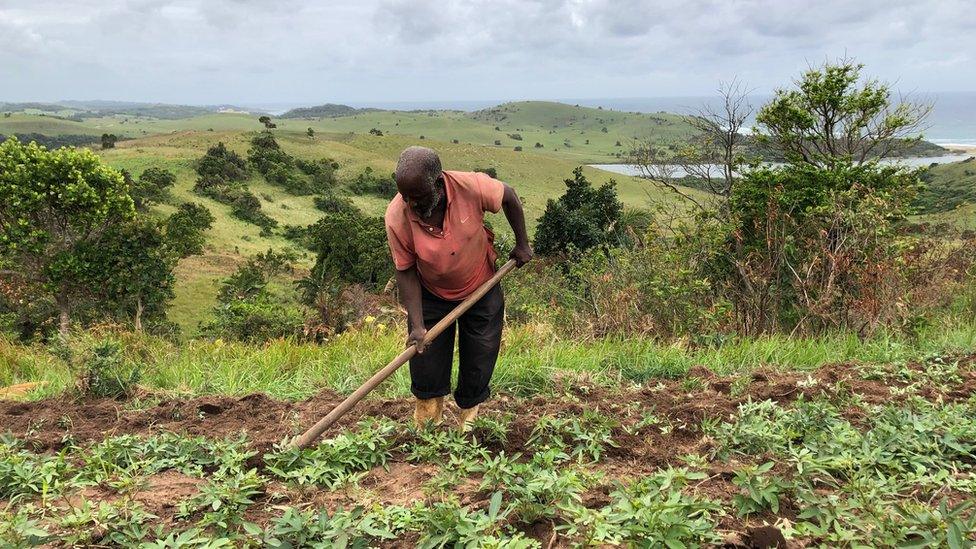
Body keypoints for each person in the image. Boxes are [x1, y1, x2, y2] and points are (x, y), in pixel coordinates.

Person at [384, 146, 532, 431]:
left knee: (479, 356)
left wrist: (522, 243)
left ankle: (467, 425)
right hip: (430, 291)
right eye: (406, 197)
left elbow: (509, 195)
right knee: (425, 362)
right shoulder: (397, 216)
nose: (411, 203)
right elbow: (405, 271)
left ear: (438, 183)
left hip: (481, 284)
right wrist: (416, 326)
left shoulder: (471, 186)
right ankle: (429, 426)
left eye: (418, 196)